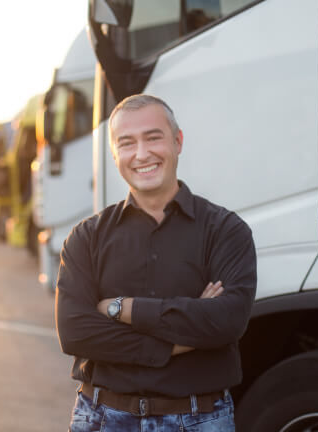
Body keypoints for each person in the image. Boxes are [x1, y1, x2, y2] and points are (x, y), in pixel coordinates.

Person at [55, 94, 257, 431]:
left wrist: (123, 309)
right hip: (103, 418)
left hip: (200, 419)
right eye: (127, 143)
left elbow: (227, 321)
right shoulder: (85, 238)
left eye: (153, 138)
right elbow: (75, 332)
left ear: (177, 142)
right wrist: (184, 339)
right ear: (115, 154)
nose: (142, 154)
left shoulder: (226, 231)